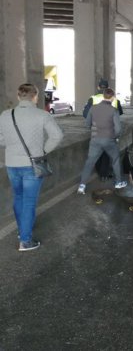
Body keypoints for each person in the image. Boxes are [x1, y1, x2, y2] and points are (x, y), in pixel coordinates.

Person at [0, 83, 63, 252]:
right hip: (32, 164)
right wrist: (42, 150)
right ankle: (25, 241)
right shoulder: (42, 115)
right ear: (35, 96)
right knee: (29, 202)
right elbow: (57, 136)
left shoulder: (6, 115)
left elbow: (1, 139)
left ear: (18, 96)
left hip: (12, 164)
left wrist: (13, 145)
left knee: (18, 197)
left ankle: (23, 232)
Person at [77, 88, 127, 195]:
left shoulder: (93, 108)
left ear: (103, 96)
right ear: (113, 97)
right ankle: (118, 182)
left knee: (89, 162)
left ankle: (82, 185)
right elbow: (118, 129)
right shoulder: (114, 110)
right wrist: (115, 137)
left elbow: (87, 124)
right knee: (115, 159)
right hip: (109, 140)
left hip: (95, 140)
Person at [83, 79, 123, 181]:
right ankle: (104, 174)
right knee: (106, 153)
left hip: (96, 132)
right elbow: (120, 113)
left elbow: (86, 114)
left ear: (98, 87)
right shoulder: (115, 100)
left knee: (96, 153)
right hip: (110, 131)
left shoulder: (92, 99)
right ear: (108, 87)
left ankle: (98, 172)